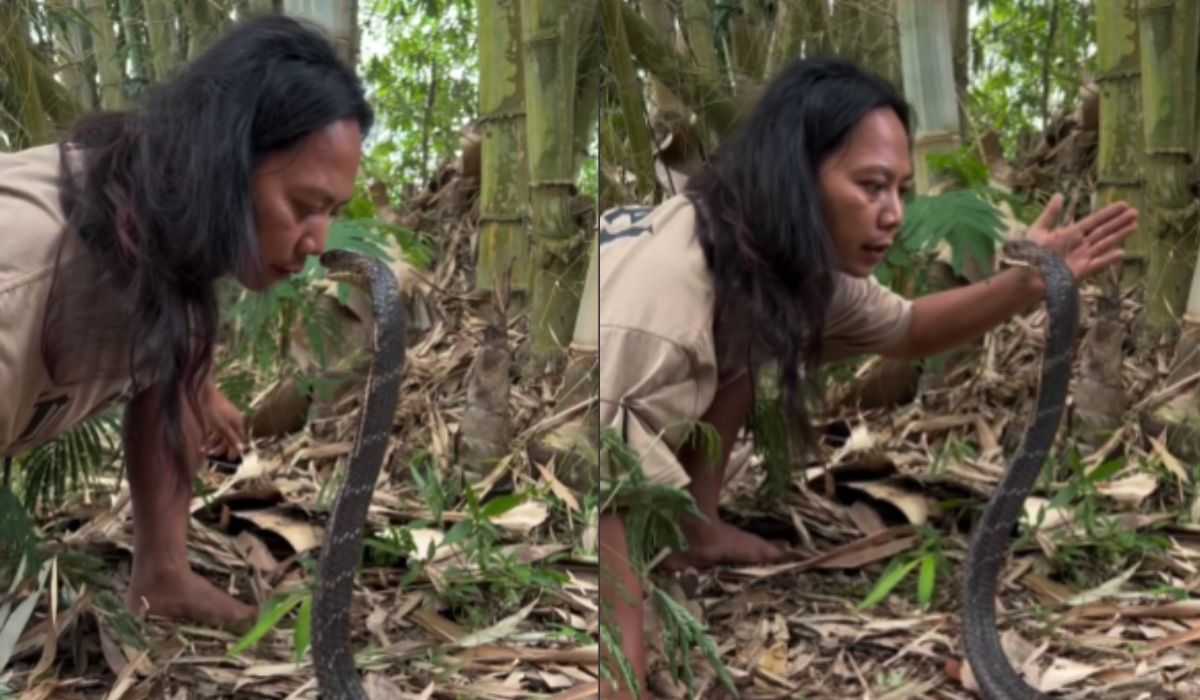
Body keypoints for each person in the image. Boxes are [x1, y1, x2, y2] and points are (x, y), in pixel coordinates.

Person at [597, 57, 1138, 699]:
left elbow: (908, 329)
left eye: (900, 191)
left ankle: (696, 521)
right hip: (590, 432)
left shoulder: (778, 259)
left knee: (746, 340)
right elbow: (608, 503)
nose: (893, 215)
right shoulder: (667, 303)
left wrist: (1028, 283)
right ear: (796, 178)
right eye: (871, 186)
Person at [0, 15, 372, 631]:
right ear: (222, 164)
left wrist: (200, 383)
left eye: (332, 212)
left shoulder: (162, 222)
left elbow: (171, 331)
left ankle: (164, 575)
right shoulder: (21, 280)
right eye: (305, 207)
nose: (317, 242)